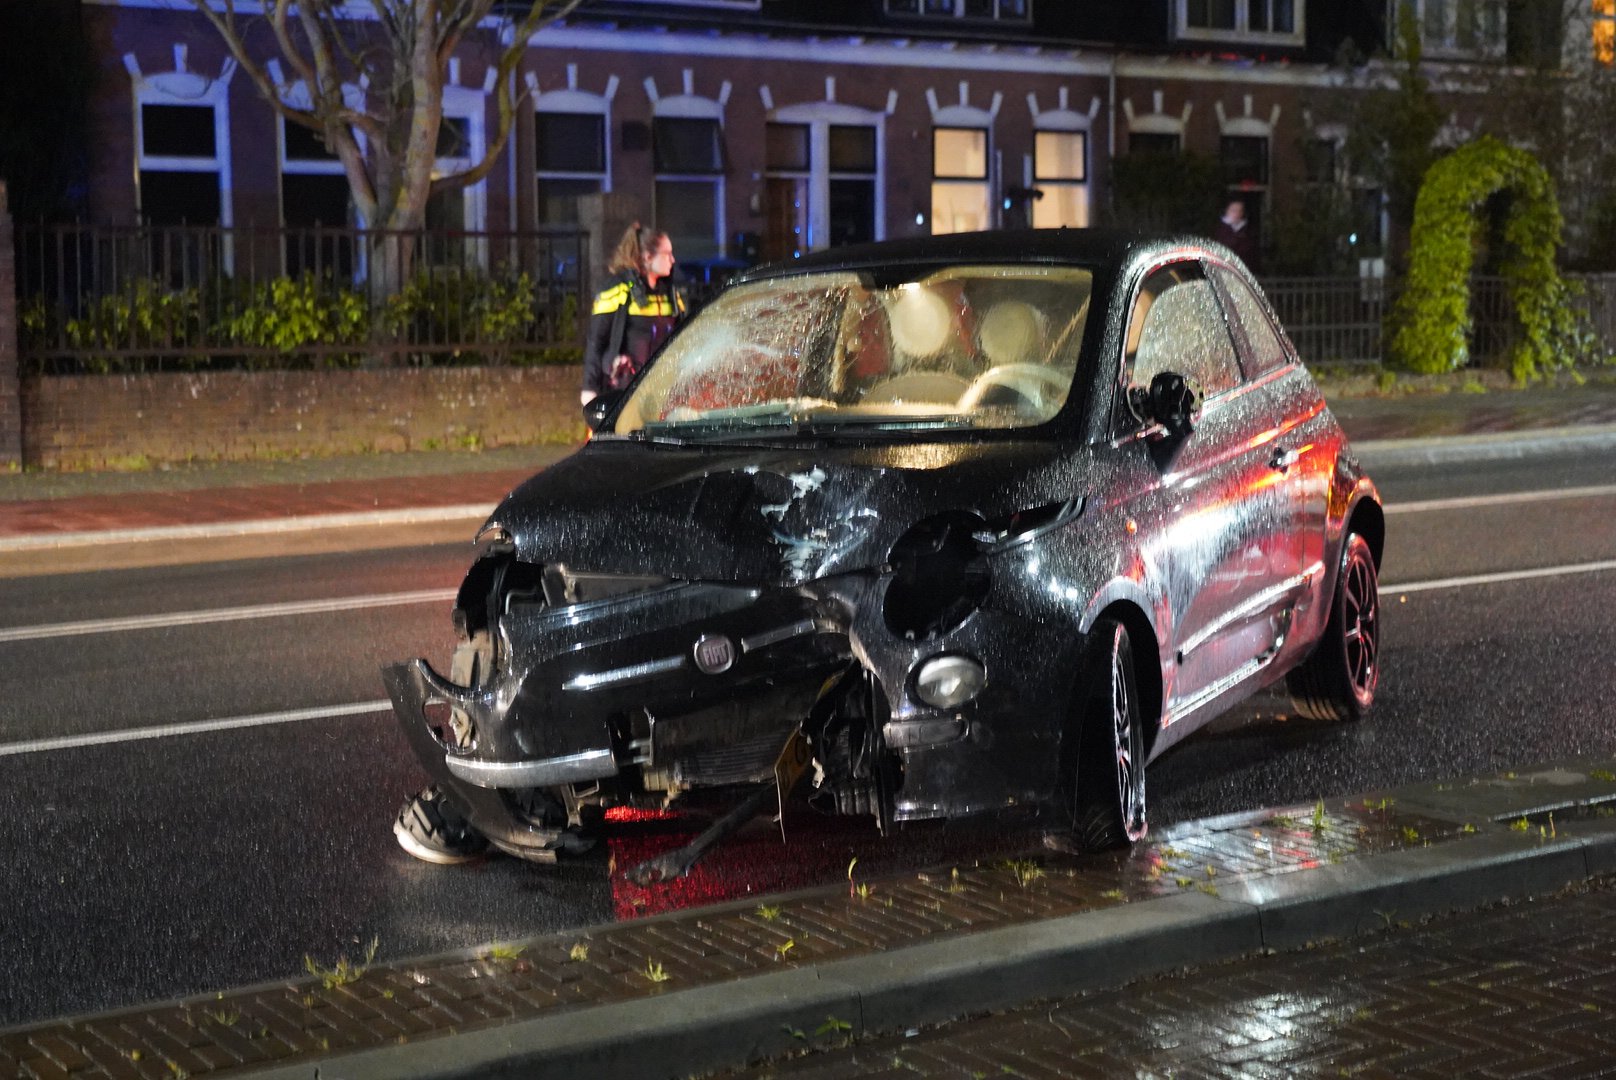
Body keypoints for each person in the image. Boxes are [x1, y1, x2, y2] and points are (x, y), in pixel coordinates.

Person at [580, 224, 688, 405]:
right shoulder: (616, 290)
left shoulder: (671, 295)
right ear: (647, 257)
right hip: (623, 394)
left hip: (663, 394)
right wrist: (589, 389)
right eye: (667, 254)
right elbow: (596, 342)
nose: (673, 260)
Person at [1212, 198, 1261, 274]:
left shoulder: (1248, 229)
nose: (1237, 214)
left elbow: (1251, 251)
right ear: (1226, 211)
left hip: (1244, 270)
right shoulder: (1220, 228)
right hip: (1223, 268)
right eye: (1233, 210)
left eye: (1240, 211)